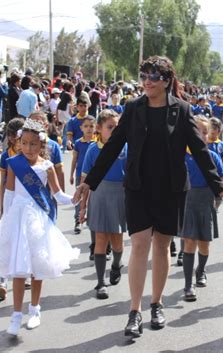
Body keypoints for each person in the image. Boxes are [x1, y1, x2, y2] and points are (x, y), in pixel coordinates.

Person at [74, 56, 223, 338]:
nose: (147, 81)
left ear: (167, 80)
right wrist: (90, 182)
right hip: (137, 188)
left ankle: (156, 303)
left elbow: (200, 151)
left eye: (154, 76)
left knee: (161, 246)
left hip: (170, 189)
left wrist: (221, 187)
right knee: (139, 245)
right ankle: (135, 310)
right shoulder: (133, 108)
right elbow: (112, 147)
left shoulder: (182, 111)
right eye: (144, 75)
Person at [0, 119, 79, 336]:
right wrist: (5, 222)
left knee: (37, 267)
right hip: (17, 220)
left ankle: (34, 309)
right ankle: (16, 314)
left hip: (38, 220)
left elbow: (57, 194)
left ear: (42, 145)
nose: (28, 148)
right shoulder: (13, 162)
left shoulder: (46, 167)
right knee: (18, 269)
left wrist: (75, 199)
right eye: (24, 143)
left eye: (33, 144)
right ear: (19, 143)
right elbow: (9, 193)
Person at [80, 110, 127, 299]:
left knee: (117, 239)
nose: (114, 131)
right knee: (100, 238)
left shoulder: (125, 147)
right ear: (99, 129)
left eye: (117, 127)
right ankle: (100, 282)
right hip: (99, 195)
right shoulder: (93, 150)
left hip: (120, 196)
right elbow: (86, 180)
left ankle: (116, 264)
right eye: (110, 127)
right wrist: (83, 207)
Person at [181, 115, 223, 301]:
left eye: (206, 132)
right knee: (189, 242)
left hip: (206, 201)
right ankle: (188, 284)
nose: (202, 135)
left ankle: (201, 270)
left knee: (204, 244)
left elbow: (221, 180)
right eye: (198, 131)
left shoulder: (213, 156)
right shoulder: (180, 155)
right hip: (186, 203)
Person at [0, 117, 25, 300]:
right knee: (7, 241)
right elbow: (3, 184)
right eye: (18, 137)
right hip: (11, 203)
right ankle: (2, 280)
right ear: (12, 138)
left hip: (27, 204)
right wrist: (2, 208)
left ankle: (26, 274)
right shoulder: (6, 156)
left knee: (25, 240)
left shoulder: (32, 153)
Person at [70, 115, 96, 235]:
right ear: (81, 128)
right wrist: (71, 174)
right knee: (79, 196)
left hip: (95, 177)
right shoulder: (78, 143)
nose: (89, 129)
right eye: (86, 126)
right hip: (81, 175)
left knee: (92, 199)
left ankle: (92, 221)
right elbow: (74, 159)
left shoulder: (97, 143)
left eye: (91, 126)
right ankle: (78, 221)